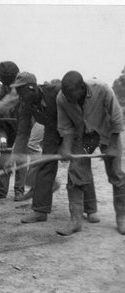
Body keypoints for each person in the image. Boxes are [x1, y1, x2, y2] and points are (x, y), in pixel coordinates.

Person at [8, 72, 98, 224]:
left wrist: (66, 145)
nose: (17, 94)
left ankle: (90, 210)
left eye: (20, 89)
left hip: (76, 129)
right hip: (52, 131)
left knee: (80, 165)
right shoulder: (25, 104)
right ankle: (40, 211)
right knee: (45, 166)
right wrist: (14, 158)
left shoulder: (56, 92)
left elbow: (79, 116)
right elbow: (23, 133)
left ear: (32, 88)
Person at [56, 71, 125, 236]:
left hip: (108, 133)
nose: (68, 99)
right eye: (65, 95)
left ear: (82, 88)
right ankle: (75, 220)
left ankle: (122, 218)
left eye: (71, 95)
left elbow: (116, 118)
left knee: (116, 175)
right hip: (84, 136)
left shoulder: (102, 89)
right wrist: (66, 148)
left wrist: (113, 146)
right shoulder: (61, 98)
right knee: (75, 174)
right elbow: (65, 127)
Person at [0, 61, 27, 201]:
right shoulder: (3, 88)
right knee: (4, 158)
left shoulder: (24, 87)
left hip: (23, 127)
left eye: (1, 75)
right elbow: (0, 126)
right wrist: (3, 140)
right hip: (8, 127)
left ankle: (19, 191)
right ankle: (1, 191)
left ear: (10, 76)